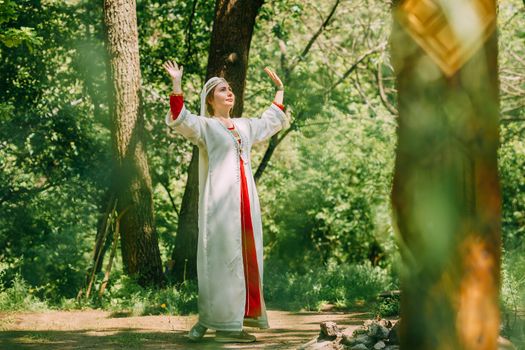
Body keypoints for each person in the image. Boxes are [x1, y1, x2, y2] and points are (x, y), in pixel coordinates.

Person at [162, 60, 288, 343]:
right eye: (222, 89)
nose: (229, 92)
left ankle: (231, 322)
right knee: (219, 260)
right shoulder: (205, 126)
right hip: (220, 206)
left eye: (230, 89)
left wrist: (279, 89)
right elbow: (179, 116)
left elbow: (270, 120)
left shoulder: (243, 126)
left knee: (244, 260)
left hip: (244, 204)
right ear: (210, 99)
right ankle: (211, 321)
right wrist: (177, 83)